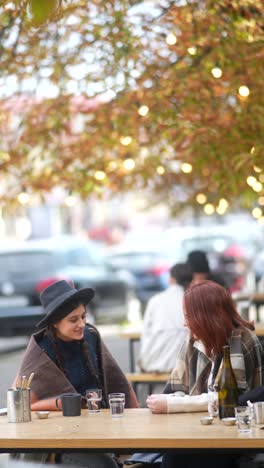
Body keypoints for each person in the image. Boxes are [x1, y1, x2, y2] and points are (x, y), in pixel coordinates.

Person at [13, 279, 138, 467]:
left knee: (151, 457)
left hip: (100, 427)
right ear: (55, 322)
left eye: (84, 316)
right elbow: (22, 402)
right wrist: (62, 403)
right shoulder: (41, 350)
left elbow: (116, 382)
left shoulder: (91, 336)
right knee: (105, 465)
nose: (82, 324)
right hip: (61, 440)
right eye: (73, 319)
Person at [146, 280, 263, 468]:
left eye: (188, 316)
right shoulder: (194, 339)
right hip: (200, 431)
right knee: (172, 454)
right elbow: (173, 390)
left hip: (237, 435)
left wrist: (174, 405)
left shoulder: (241, 340)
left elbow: (226, 402)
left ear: (206, 317)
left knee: (176, 459)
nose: (184, 323)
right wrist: (173, 401)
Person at [138, 263, 192, 373]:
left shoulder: (155, 300)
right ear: (190, 282)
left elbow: (145, 334)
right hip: (185, 364)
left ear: (171, 279)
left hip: (153, 362)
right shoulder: (191, 301)